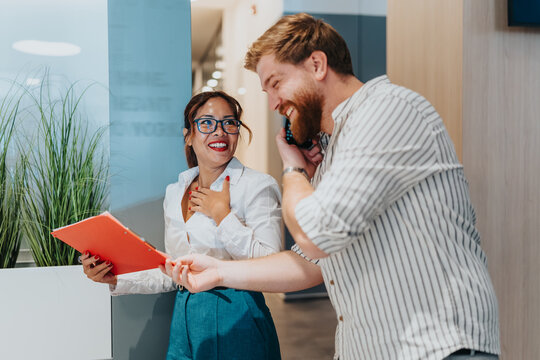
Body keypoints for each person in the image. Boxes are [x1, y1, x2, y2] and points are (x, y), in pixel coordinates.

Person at [163, 13, 501, 360]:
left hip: (437, 348)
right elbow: (308, 263)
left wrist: (293, 169)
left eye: (276, 83)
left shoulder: (388, 110)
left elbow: (317, 235)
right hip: (371, 348)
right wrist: (218, 271)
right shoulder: (333, 147)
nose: (274, 103)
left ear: (317, 64)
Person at [81, 91, 282, 360]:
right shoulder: (175, 192)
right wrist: (115, 277)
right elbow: (173, 269)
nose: (219, 132)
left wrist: (222, 216)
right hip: (184, 317)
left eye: (229, 123)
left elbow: (272, 267)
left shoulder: (257, 186)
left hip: (238, 316)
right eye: (207, 123)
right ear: (188, 135)